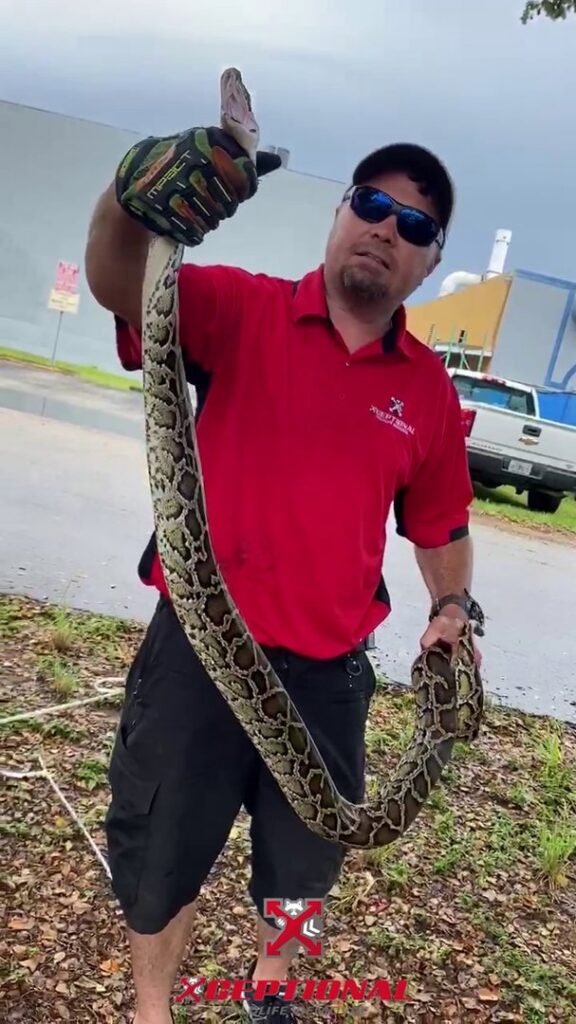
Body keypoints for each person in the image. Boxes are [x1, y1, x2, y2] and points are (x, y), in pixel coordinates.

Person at [85, 120, 483, 1024]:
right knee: (162, 857)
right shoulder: (241, 308)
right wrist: (128, 196)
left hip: (329, 674)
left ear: (428, 262)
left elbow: (441, 524)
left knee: (310, 860)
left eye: (415, 226)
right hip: (199, 653)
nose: (388, 229)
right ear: (340, 213)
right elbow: (120, 280)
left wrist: (452, 603)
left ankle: (273, 979)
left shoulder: (426, 390)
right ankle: (154, 1009)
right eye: (374, 205)